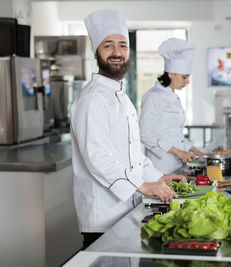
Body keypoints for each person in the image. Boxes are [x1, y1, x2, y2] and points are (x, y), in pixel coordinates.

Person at [70, 10, 186, 250]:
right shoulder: (92, 99)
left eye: (122, 45)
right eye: (108, 46)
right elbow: (97, 157)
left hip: (123, 211)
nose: (117, 52)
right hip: (102, 216)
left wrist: (157, 178)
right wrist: (143, 186)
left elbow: (132, 154)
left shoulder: (121, 97)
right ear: (96, 54)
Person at [139, 38, 207, 175]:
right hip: (160, 167)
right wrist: (177, 151)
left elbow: (176, 134)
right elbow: (144, 134)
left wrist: (199, 152)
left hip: (176, 165)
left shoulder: (173, 97)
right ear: (171, 74)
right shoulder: (153, 96)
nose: (187, 82)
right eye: (184, 77)